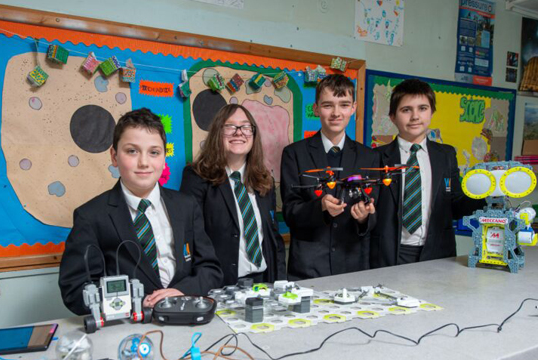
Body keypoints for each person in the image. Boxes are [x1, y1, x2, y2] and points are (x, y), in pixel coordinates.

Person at [59, 108, 223, 315]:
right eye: (132, 151)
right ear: (114, 156)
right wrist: (133, 302)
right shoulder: (91, 216)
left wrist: (182, 291)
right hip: (128, 324)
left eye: (154, 152)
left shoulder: (186, 205)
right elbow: (74, 290)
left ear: (164, 158)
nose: (144, 162)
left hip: (184, 314)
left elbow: (211, 269)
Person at [370, 79, 485, 267]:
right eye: (406, 110)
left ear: (432, 112)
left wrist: (485, 195)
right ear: (392, 116)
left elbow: (456, 204)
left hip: (438, 252)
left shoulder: (446, 155)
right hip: (390, 254)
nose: (415, 116)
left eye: (422, 108)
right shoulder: (377, 157)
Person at [280, 74, 379, 280]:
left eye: (343, 105)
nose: (336, 113)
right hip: (308, 268)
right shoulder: (294, 154)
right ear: (316, 109)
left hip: (353, 264)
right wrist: (320, 207)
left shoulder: (369, 156)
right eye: (327, 105)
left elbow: (373, 213)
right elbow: (290, 212)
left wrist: (363, 217)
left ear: (353, 108)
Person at [180, 104, 286, 286]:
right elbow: (190, 237)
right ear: (217, 133)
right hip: (220, 285)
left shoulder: (263, 180)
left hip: (264, 282)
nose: (239, 133)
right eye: (230, 127)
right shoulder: (197, 177)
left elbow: (274, 238)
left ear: (253, 134)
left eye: (245, 127)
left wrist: (281, 283)